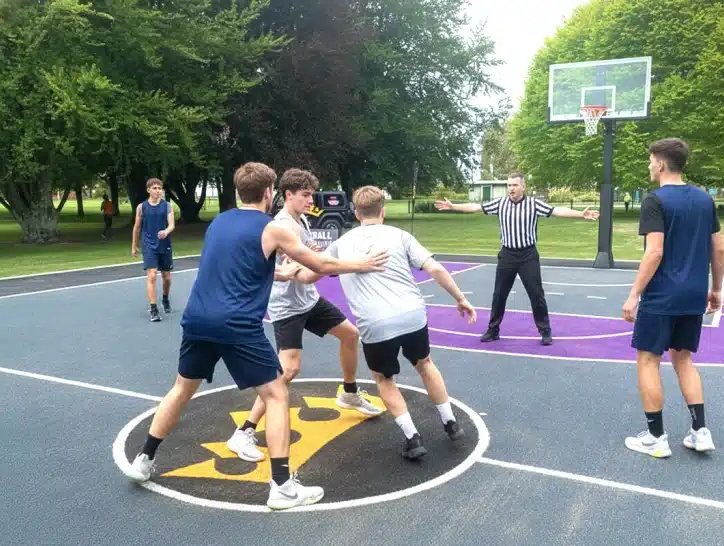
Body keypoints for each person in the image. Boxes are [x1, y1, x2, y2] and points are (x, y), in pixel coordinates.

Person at [120, 162, 389, 510]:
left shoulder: (219, 223)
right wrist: (362, 264)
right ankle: (282, 487)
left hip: (198, 318)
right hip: (236, 323)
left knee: (182, 389)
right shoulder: (273, 228)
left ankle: (144, 459)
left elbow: (236, 267)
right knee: (277, 393)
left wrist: (276, 275)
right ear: (268, 193)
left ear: (237, 192)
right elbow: (320, 266)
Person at [292, 186, 476, 459]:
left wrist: (287, 268)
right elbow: (435, 268)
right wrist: (460, 298)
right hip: (413, 315)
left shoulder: (342, 243)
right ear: (383, 211)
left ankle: (413, 439)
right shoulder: (400, 236)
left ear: (355, 212)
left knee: (384, 378)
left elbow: (309, 276)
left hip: (376, 324)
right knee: (425, 364)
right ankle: (450, 423)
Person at [226, 169, 383, 463]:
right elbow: (303, 270)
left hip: (308, 301)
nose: (311, 200)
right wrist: (353, 265)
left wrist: (311, 260)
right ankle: (243, 432)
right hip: (287, 308)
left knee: (350, 334)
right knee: (287, 370)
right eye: (305, 195)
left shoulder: (302, 221)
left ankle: (349, 393)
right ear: (287, 195)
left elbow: (308, 261)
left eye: (312, 194)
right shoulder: (282, 225)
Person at [620, 138, 724, 458]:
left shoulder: (655, 201)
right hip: (693, 294)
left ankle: (655, 437)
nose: (649, 166)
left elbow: (655, 251)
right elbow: (717, 249)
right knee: (683, 359)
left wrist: (633, 294)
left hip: (662, 294)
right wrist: (716, 289)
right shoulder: (704, 199)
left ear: (661, 164)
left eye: (651, 160)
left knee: (648, 360)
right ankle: (700, 431)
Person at [435, 172, 599, 345]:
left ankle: (545, 330)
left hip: (528, 255)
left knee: (536, 294)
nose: (511, 189)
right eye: (509, 185)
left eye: (514, 185)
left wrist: (581, 214)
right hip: (507, 255)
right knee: (499, 294)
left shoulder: (533, 204)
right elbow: (475, 207)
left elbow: (557, 211)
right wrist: (453, 206)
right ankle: (493, 329)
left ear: (523, 187)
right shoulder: (500, 203)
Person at [131, 178, 175, 322]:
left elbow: (171, 225)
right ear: (148, 189)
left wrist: (166, 232)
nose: (158, 191)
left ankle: (165, 299)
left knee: (167, 278)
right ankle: (154, 309)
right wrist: (134, 245)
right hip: (149, 245)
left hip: (164, 244)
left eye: (159, 188)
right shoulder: (141, 207)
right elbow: (137, 228)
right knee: (152, 275)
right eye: (155, 188)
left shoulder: (167, 206)